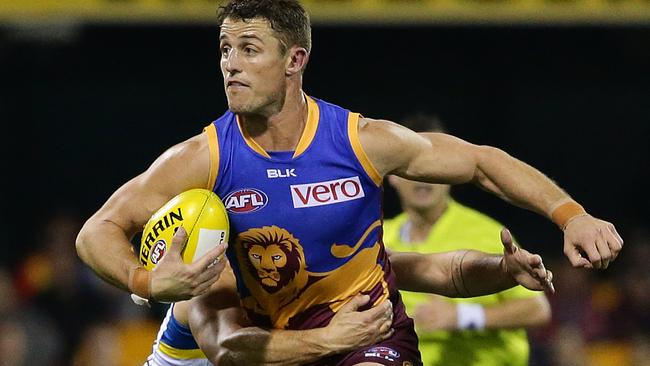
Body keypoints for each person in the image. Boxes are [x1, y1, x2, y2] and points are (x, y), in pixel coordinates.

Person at [75, 0, 622, 365]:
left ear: (295, 60)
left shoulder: (360, 141)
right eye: (224, 49)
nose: (230, 65)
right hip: (261, 343)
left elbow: (479, 163)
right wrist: (146, 282)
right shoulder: (204, 161)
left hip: (368, 336)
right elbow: (98, 231)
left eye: (248, 49)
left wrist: (571, 216)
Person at [147, 229, 553, 366]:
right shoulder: (212, 283)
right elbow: (229, 349)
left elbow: (433, 269)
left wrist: (503, 271)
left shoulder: (308, 265)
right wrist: (331, 339)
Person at [384, 115, 552, 365]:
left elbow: (537, 310)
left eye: (432, 164)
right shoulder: (379, 236)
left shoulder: (486, 232)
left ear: (449, 171)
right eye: (411, 166)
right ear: (392, 174)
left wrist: (462, 316)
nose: (423, 179)